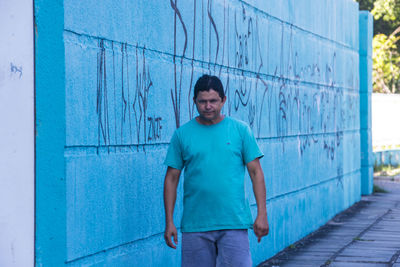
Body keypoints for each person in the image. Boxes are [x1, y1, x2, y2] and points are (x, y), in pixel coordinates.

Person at [163, 74, 269, 267]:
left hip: (234, 222)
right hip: (196, 224)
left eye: (213, 101)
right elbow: (171, 178)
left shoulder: (240, 130)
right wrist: (169, 221)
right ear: (194, 101)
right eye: (202, 101)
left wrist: (262, 214)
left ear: (223, 100)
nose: (208, 106)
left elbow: (256, 173)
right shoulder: (182, 135)